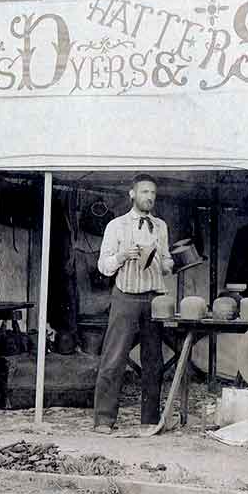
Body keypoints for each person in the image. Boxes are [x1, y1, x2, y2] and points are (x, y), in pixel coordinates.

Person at [93, 173, 174, 433]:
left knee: (154, 362)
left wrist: (169, 264)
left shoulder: (160, 226)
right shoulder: (116, 226)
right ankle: (104, 420)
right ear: (132, 194)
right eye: (144, 192)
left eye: (152, 193)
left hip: (154, 299)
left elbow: (166, 261)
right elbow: (103, 267)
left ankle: (149, 420)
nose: (149, 197)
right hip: (125, 296)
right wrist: (121, 256)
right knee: (114, 358)